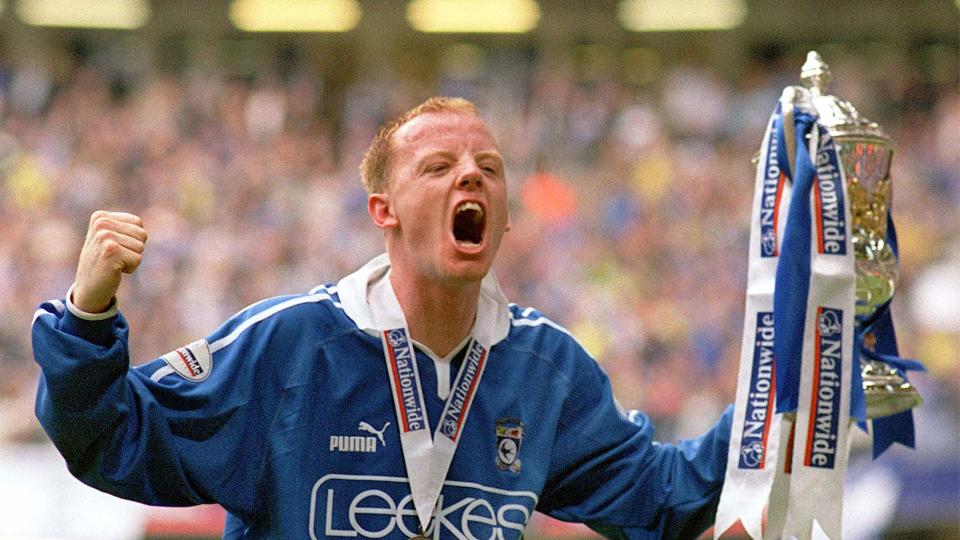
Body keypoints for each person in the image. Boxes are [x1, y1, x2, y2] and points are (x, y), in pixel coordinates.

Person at [32, 96, 733, 539]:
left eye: (488, 166)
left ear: (507, 216)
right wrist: (88, 313)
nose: (471, 175)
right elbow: (111, 438)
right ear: (383, 212)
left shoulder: (545, 369)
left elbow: (664, 501)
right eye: (438, 167)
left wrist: (782, 376)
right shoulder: (290, 346)